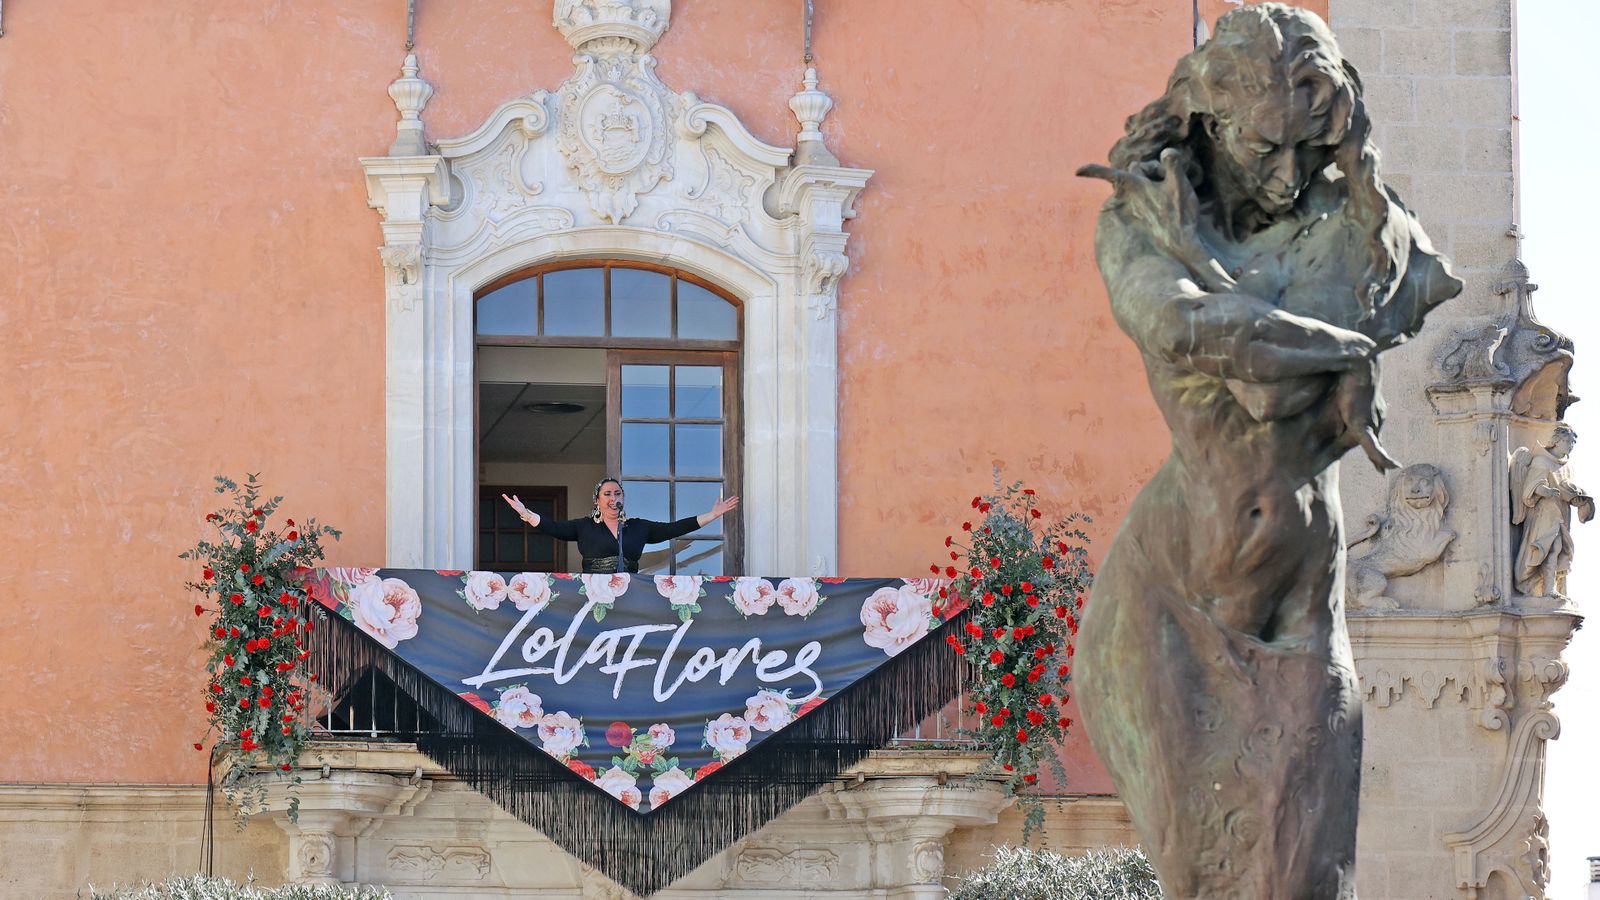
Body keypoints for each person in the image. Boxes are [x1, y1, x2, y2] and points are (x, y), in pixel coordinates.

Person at [502, 478, 739, 574]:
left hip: (630, 594)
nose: (612, 497)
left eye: (617, 493)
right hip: (595, 594)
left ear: (623, 498)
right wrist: (526, 513)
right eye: (607, 493)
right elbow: (553, 527)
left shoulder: (638, 528)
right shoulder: (584, 527)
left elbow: (673, 529)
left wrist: (712, 515)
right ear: (597, 500)